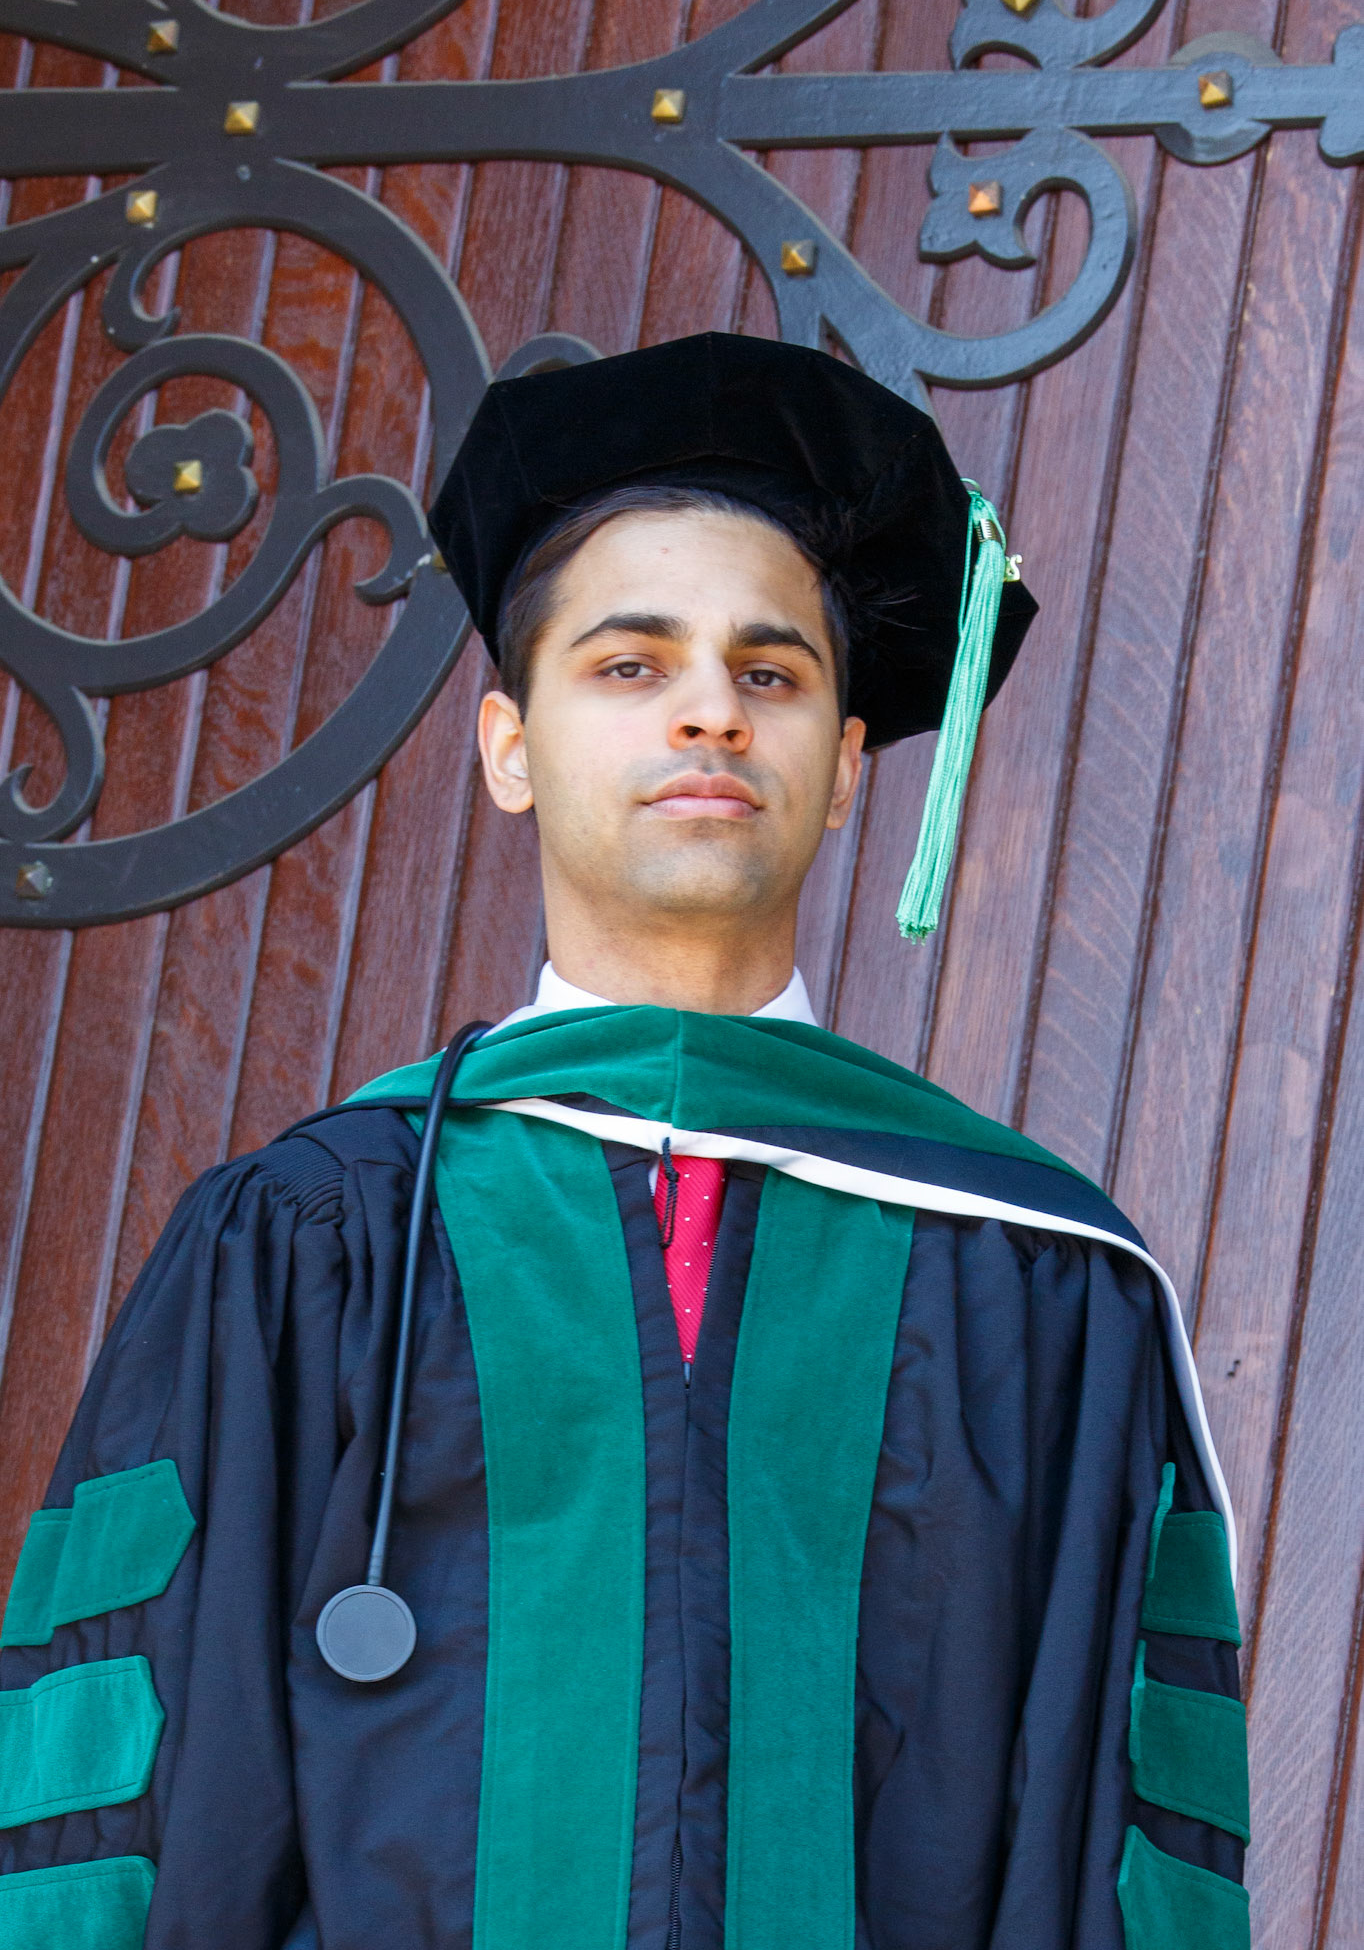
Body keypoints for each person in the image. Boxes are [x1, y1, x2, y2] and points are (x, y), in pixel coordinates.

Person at [0, 334, 1249, 1950]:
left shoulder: (1040, 1280)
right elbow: (127, 1803)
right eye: (630, 665)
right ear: (510, 747)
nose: (711, 713)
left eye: (770, 674)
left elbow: (1118, 1846)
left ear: (846, 768)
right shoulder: (309, 1241)